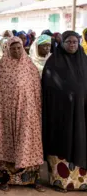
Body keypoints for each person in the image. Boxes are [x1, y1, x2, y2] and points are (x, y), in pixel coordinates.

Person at [0, 37, 44, 192]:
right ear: (7, 49)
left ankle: (32, 179)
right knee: (6, 142)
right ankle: (5, 179)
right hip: (6, 114)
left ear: (23, 48)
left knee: (27, 141)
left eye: (19, 48)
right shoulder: (1, 68)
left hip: (27, 113)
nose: (16, 51)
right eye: (13, 48)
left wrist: (35, 111)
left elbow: (36, 92)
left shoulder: (30, 67)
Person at [42, 31, 87, 192]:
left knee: (80, 142)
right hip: (59, 114)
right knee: (62, 142)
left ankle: (81, 182)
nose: (72, 45)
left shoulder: (84, 61)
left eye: (75, 42)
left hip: (81, 114)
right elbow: (47, 88)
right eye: (69, 42)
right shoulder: (53, 62)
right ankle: (61, 181)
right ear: (62, 43)